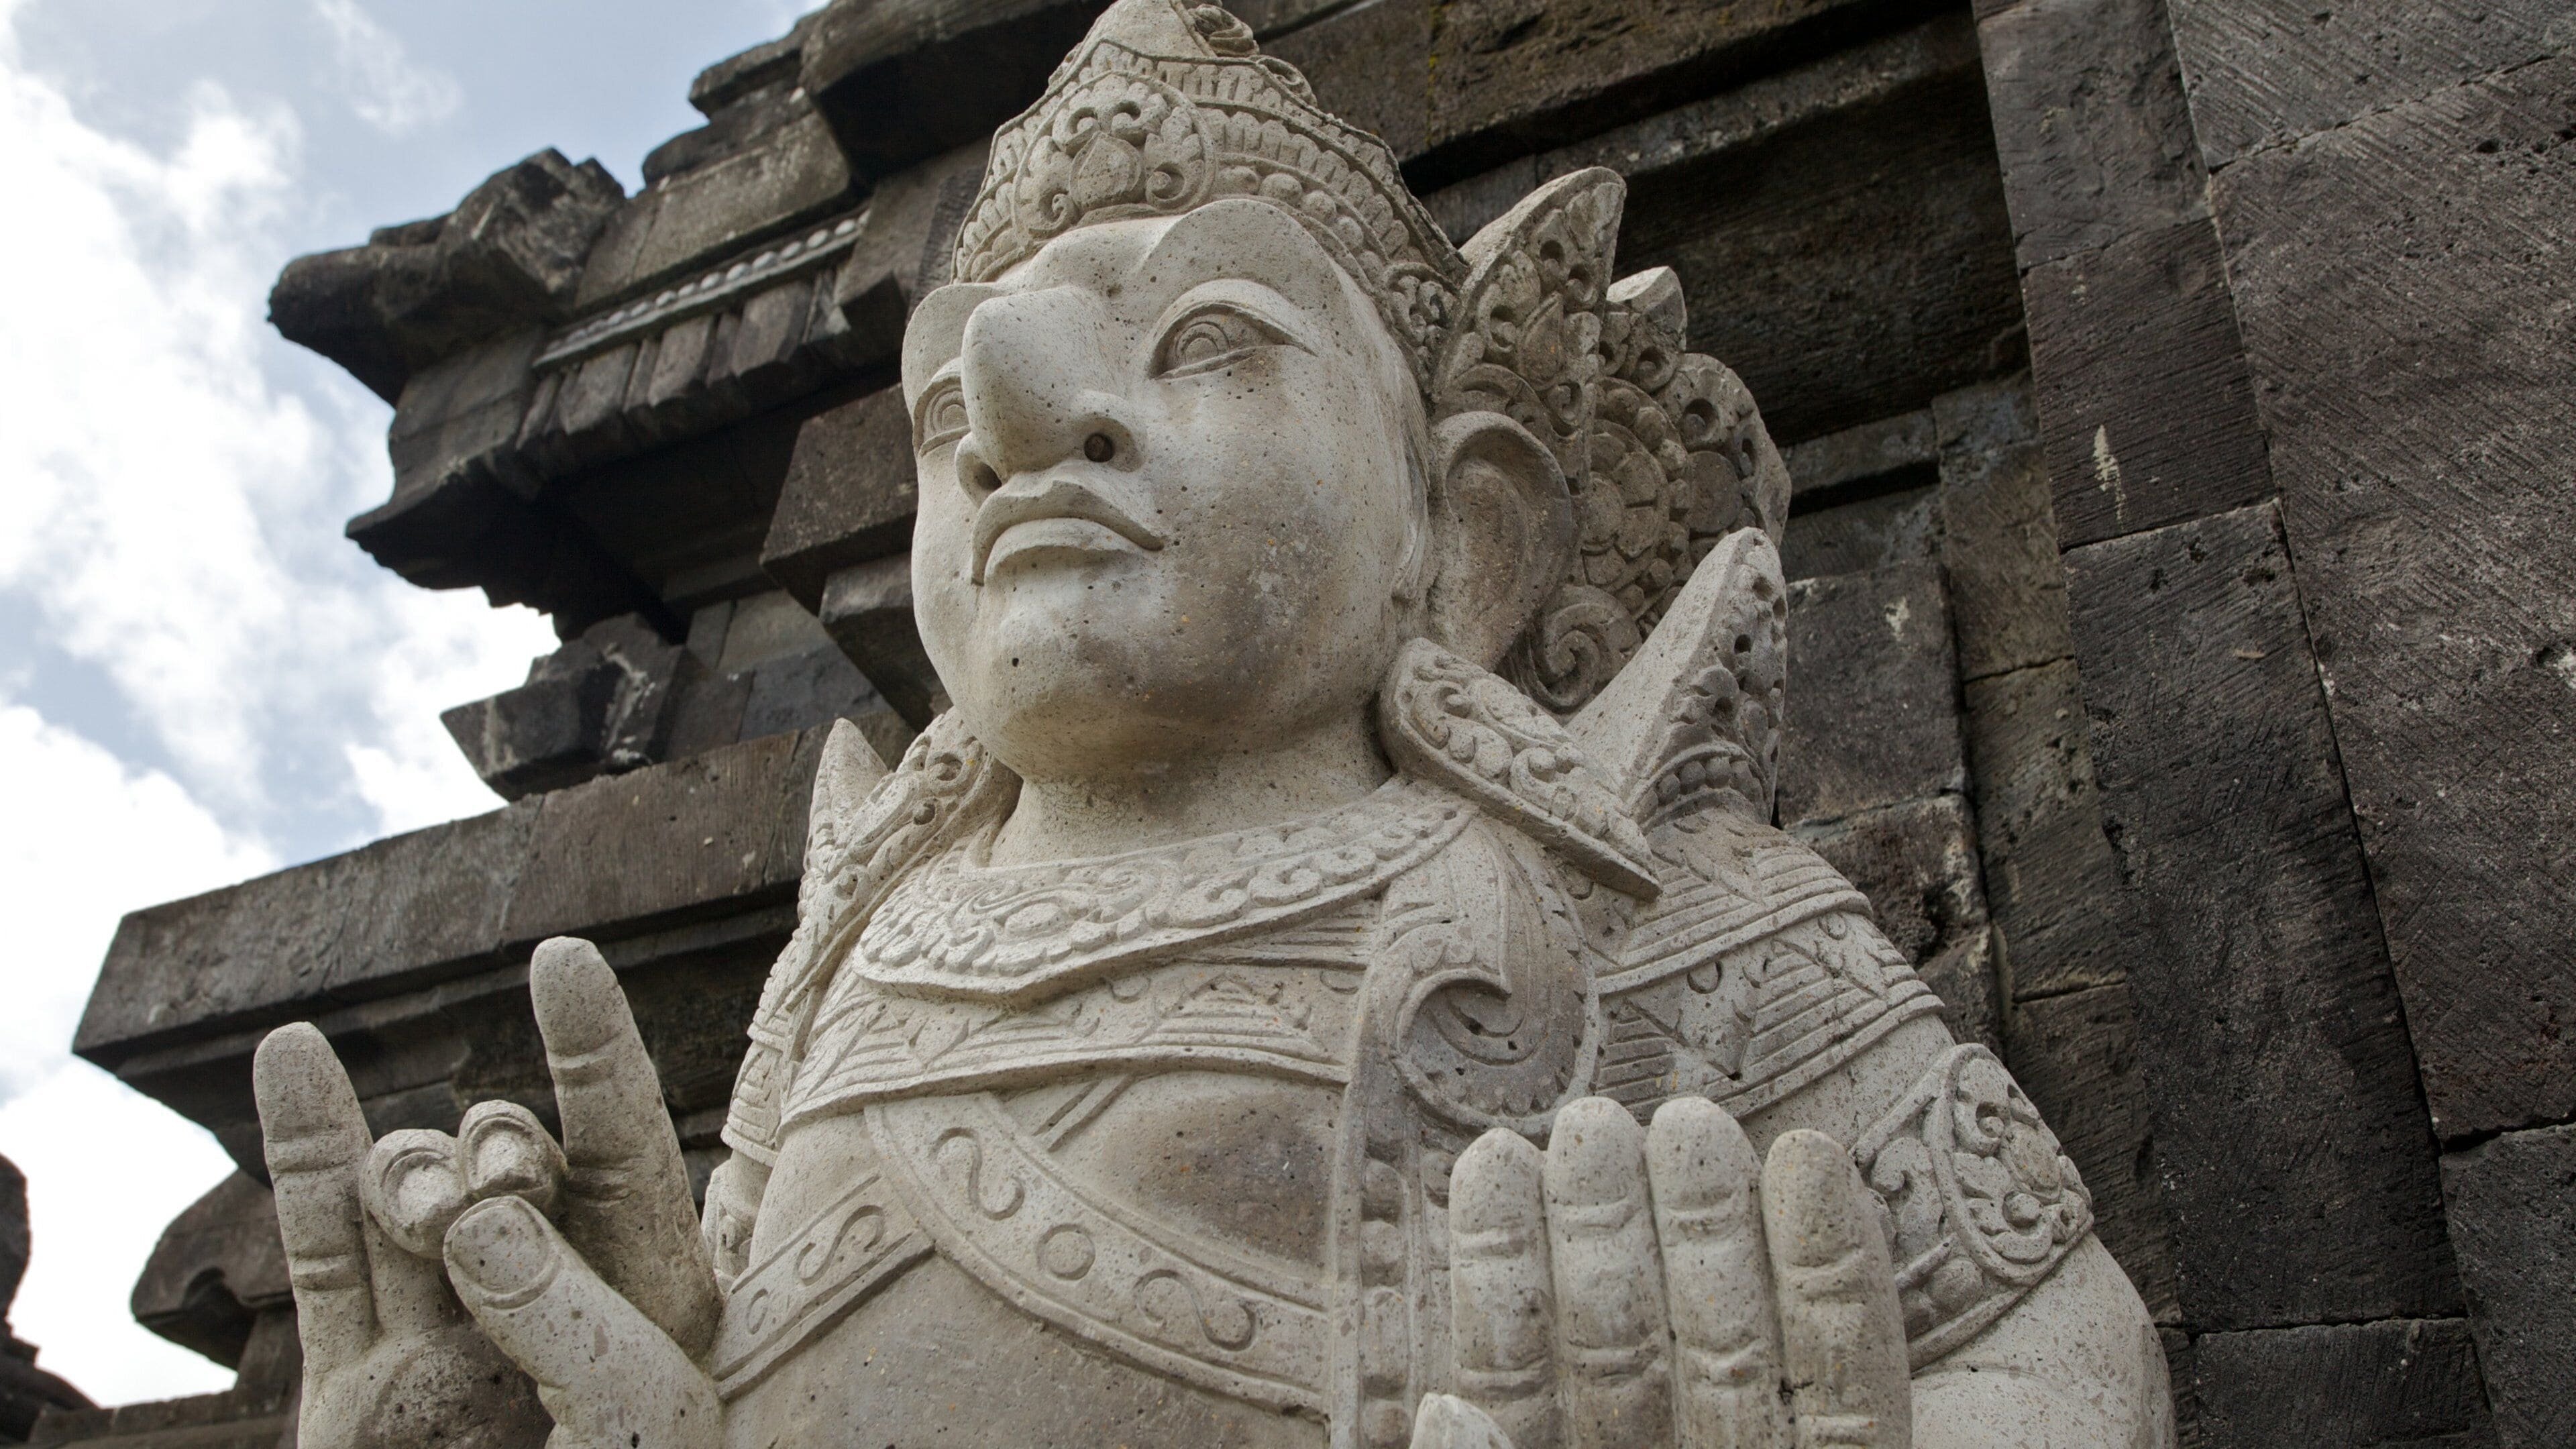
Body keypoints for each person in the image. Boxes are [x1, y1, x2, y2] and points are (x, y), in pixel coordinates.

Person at [252, 3, 2174, 1444]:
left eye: (1202, 342)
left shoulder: (1632, 902)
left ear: (1466, 529)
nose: (1012, 418)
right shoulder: (857, 959)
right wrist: (551, 1398)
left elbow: (2062, 1345)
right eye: (944, 421)